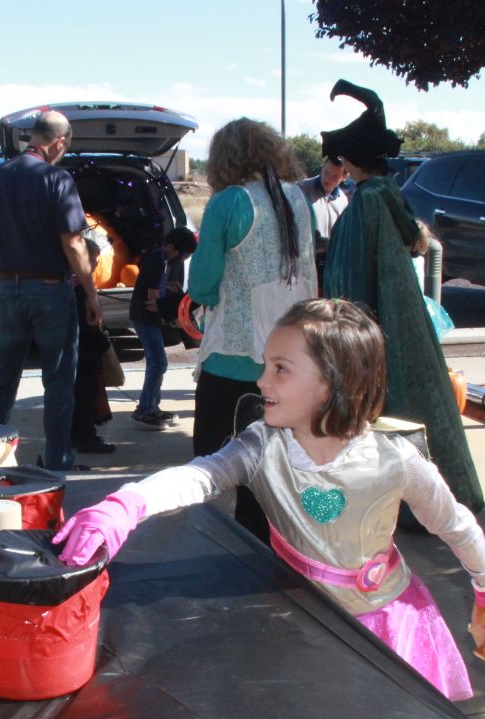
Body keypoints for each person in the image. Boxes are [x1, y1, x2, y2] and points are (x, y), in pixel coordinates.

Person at [53, 298, 485, 702]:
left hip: (390, 626)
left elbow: (453, 523)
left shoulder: (395, 460)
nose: (261, 380)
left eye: (280, 368)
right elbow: (201, 476)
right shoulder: (262, 448)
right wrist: (128, 504)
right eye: (265, 365)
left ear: (332, 383)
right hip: (301, 623)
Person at [320, 79, 484, 514]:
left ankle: (406, 501)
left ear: (351, 160)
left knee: (389, 410)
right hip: (404, 324)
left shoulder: (367, 201)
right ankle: (437, 496)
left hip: (377, 328)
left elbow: (350, 276)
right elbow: (412, 240)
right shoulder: (389, 193)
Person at [188, 118, 317, 542]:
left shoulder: (228, 202)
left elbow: (202, 284)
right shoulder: (298, 199)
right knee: (271, 470)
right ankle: (269, 549)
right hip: (291, 359)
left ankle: (230, 550)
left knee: (213, 461)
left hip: (233, 358)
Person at [0, 110, 102, 471]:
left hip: (6, 288)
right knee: (59, 381)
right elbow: (73, 242)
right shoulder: (57, 179)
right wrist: (91, 293)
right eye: (66, 146)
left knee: (2, 376)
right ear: (58, 142)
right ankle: (58, 461)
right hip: (50, 290)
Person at [129, 227, 196, 429]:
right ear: (171, 247)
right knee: (158, 362)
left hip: (146, 318)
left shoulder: (158, 257)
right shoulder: (157, 260)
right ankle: (145, 409)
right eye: (183, 255)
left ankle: (152, 406)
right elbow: (152, 298)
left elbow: (152, 283)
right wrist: (169, 312)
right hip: (145, 318)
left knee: (157, 362)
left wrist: (169, 286)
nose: (183, 259)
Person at [71, 231, 116, 454]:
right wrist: (103, 342)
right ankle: (85, 436)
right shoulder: (81, 289)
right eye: (95, 261)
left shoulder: (70, 285)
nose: (97, 265)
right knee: (85, 395)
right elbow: (87, 325)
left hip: (76, 351)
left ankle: (77, 434)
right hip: (85, 352)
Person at [297, 157, 349, 280]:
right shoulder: (301, 190)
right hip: (304, 261)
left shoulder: (342, 200)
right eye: (326, 172)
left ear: (344, 177)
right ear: (322, 168)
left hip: (329, 263)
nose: (327, 179)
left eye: (334, 176)